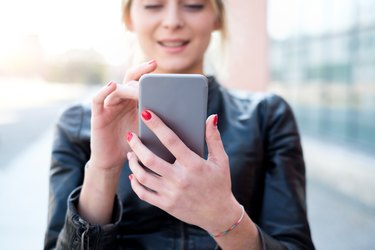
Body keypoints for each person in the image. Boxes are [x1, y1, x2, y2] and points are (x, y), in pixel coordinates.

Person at [44, 0, 315, 249]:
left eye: (193, 5)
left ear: (217, 18)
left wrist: (224, 219)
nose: (172, 21)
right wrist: (104, 168)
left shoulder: (267, 115)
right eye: (153, 5)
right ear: (129, 18)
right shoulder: (82, 121)